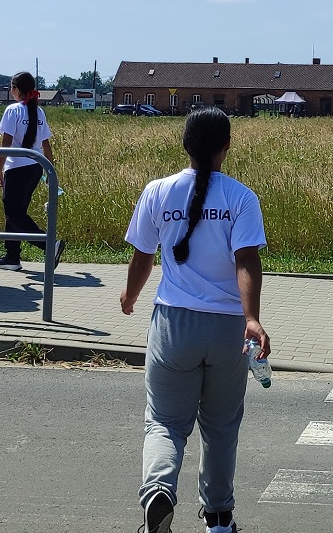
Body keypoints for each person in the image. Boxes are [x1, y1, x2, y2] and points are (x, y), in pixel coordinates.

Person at [119, 108, 269, 533]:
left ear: (185, 143)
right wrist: (252, 319)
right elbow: (247, 262)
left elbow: (142, 257)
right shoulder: (241, 197)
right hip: (227, 329)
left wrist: (129, 297)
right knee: (221, 427)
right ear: (226, 147)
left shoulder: (157, 191)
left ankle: (158, 493)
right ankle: (219, 518)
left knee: (165, 422)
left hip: (173, 325)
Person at [0, 71, 56, 270]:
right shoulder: (39, 111)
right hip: (35, 167)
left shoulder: (13, 110)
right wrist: (50, 169)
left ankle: (48, 244)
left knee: (13, 213)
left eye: (11, 88)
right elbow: (45, 143)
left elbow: (6, 142)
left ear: (17, 90)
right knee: (17, 211)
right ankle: (12, 255)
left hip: (16, 168)